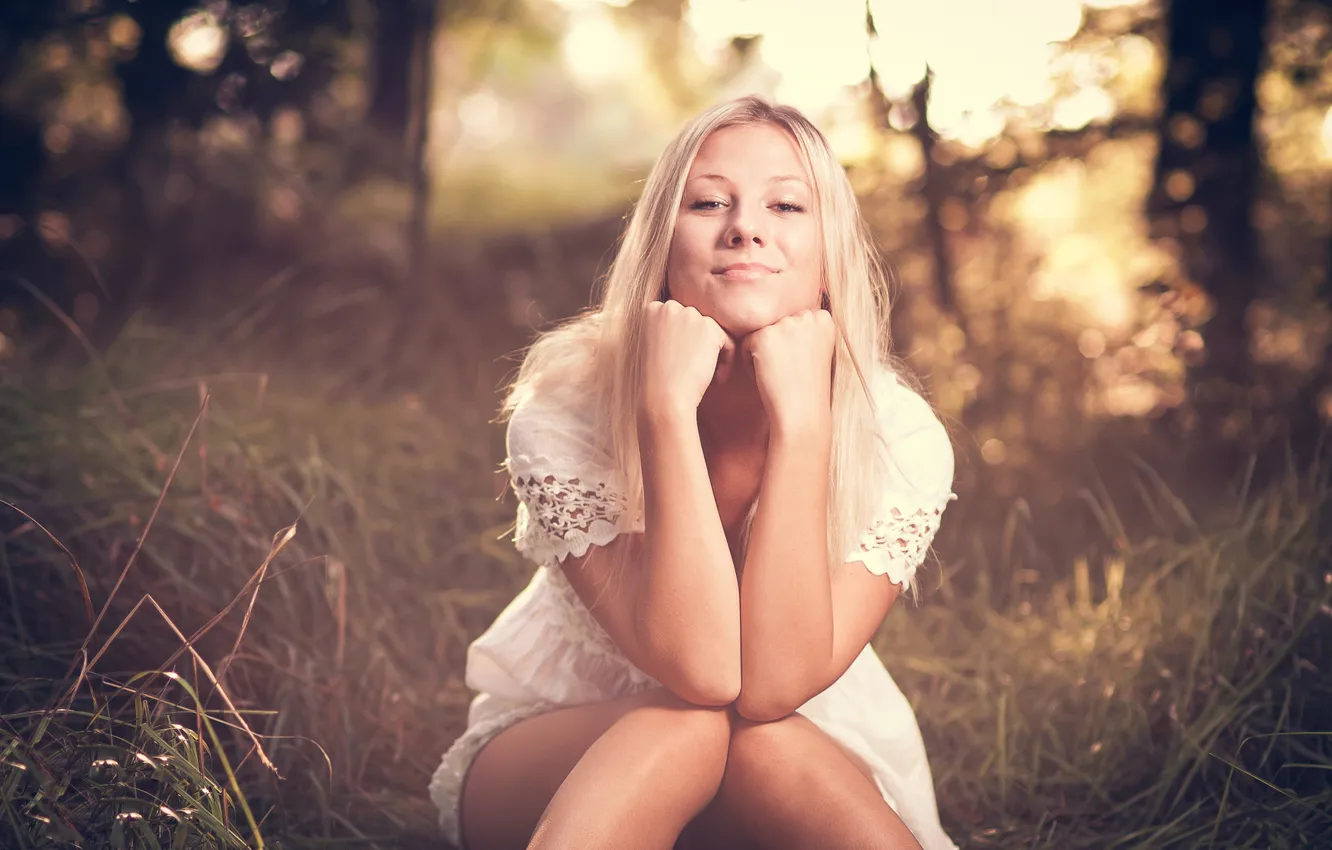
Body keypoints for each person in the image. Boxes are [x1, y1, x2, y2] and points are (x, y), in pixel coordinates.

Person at [428, 95, 958, 850]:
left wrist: (803, 424)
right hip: (564, 744)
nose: (745, 226)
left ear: (829, 256)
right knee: (686, 729)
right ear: (661, 245)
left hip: (794, 736)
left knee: (762, 743)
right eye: (709, 201)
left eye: (786, 204)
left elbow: (771, 689)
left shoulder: (899, 433)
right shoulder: (565, 413)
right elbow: (703, 675)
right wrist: (665, 414)